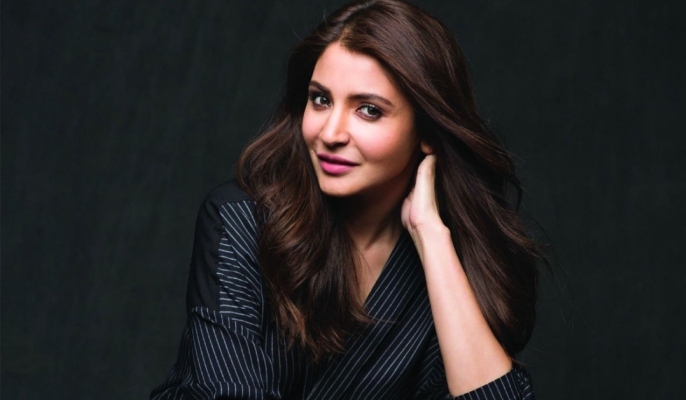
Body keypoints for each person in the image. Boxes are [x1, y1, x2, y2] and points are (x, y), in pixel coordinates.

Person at [152, 0, 543, 398]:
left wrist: (431, 236)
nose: (330, 133)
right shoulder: (241, 220)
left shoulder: (455, 264)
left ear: (427, 130)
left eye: (368, 110)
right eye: (321, 100)